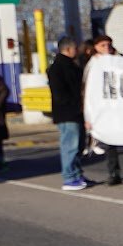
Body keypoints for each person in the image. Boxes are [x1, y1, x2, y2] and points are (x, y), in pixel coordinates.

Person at [89, 34, 123, 185]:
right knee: (109, 143)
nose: (107, 48)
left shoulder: (121, 60)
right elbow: (89, 88)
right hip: (105, 109)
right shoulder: (93, 64)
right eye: (103, 46)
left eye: (108, 45)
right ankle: (114, 173)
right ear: (96, 48)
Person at [48, 36, 89, 190]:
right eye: (75, 48)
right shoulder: (58, 68)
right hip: (67, 113)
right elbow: (60, 95)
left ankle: (77, 174)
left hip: (75, 112)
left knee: (78, 145)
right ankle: (69, 177)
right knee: (69, 145)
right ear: (69, 49)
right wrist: (76, 104)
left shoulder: (72, 66)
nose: (77, 51)